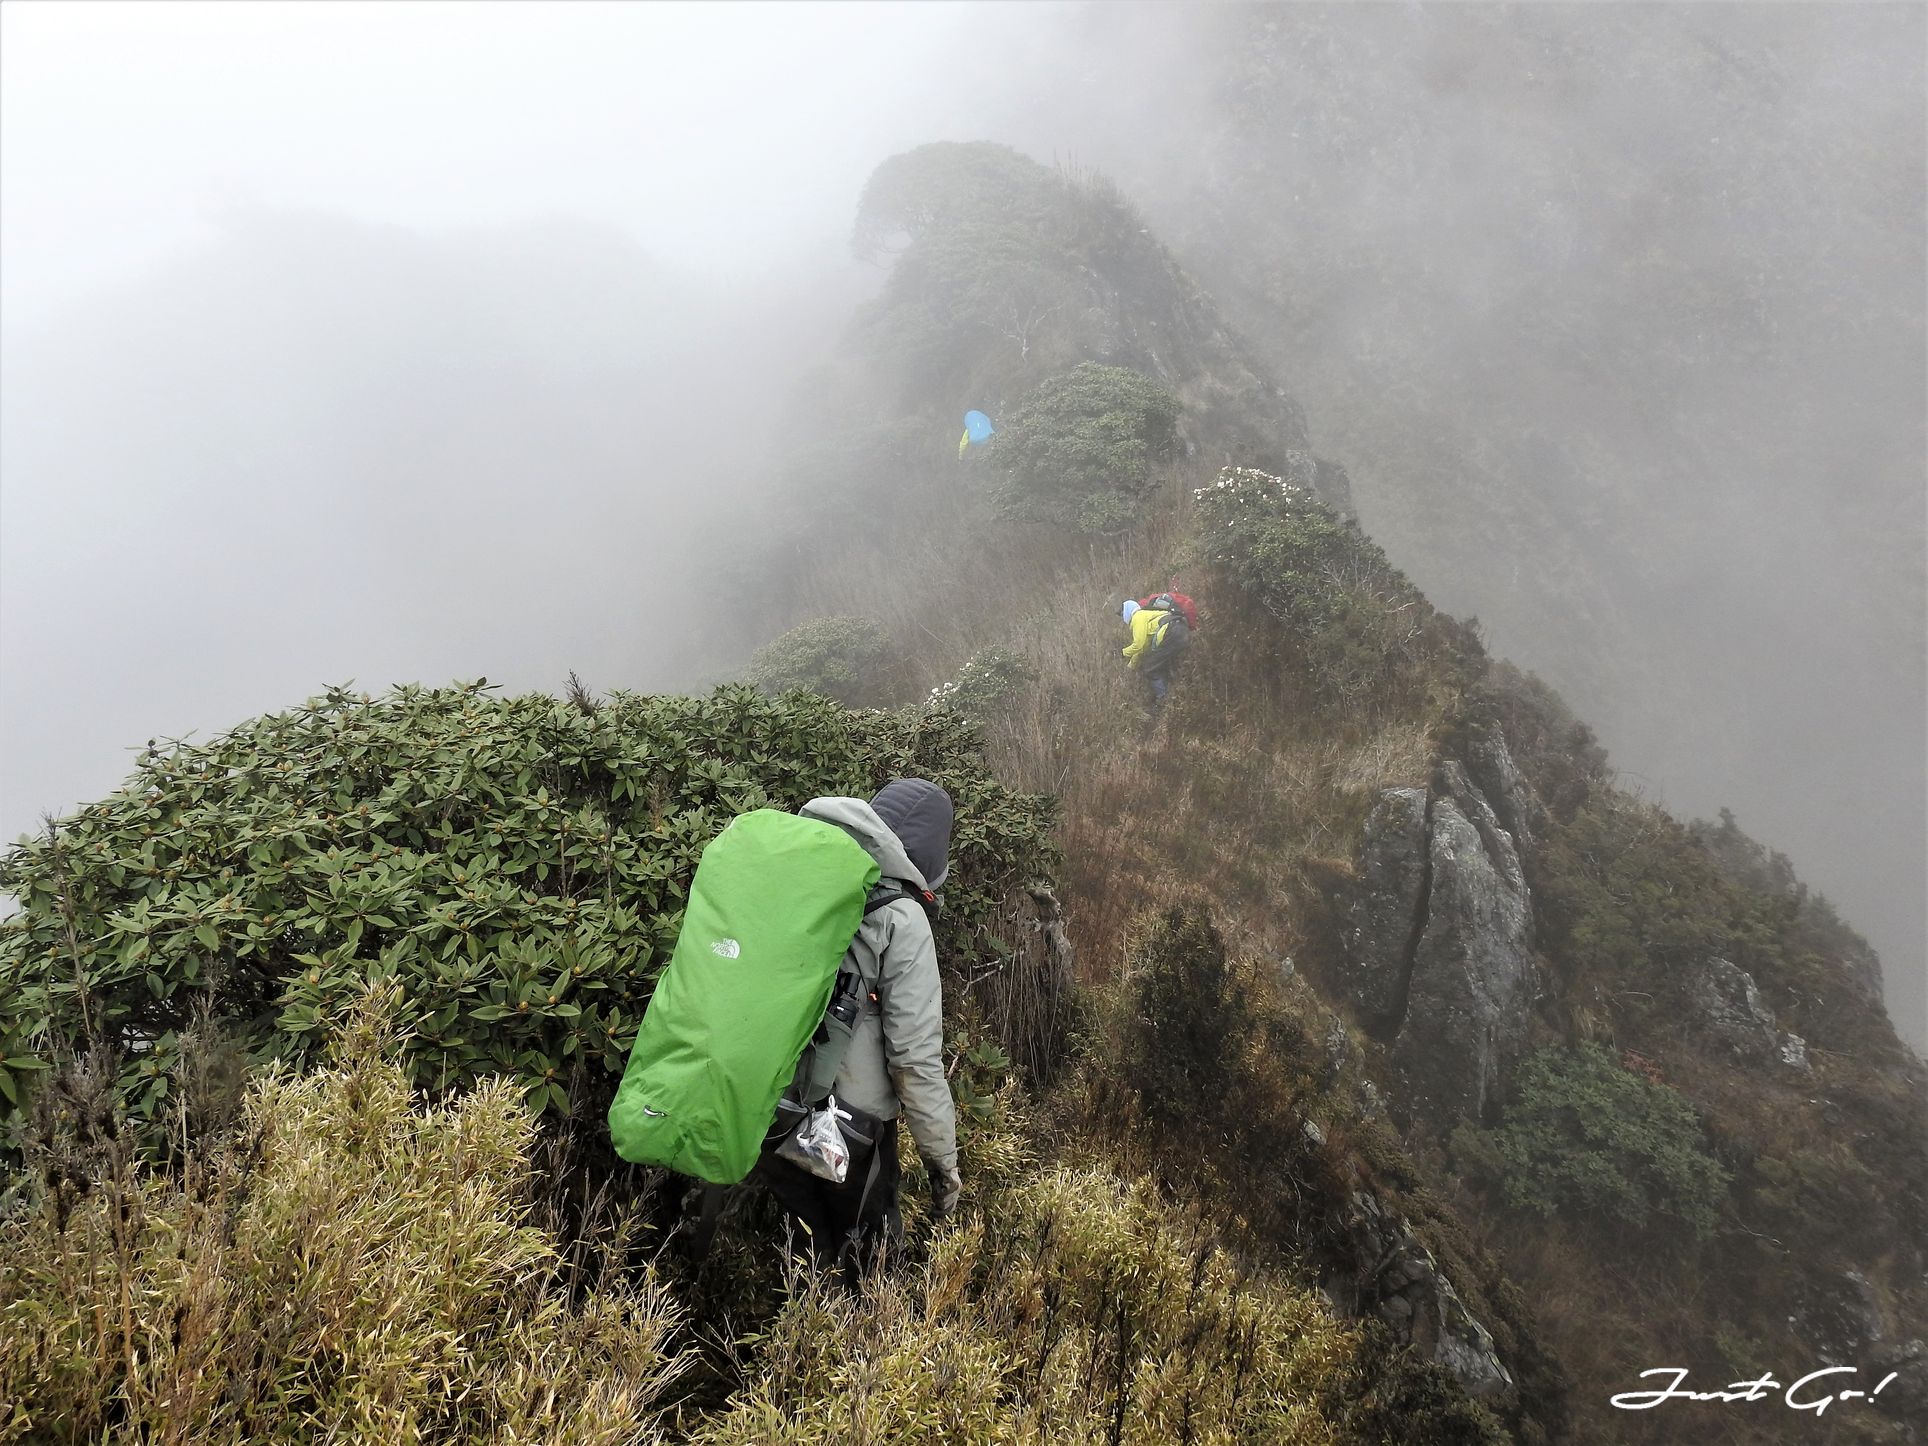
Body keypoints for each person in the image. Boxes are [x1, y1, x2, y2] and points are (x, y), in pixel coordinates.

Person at [755, 778, 962, 1271]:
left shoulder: (795, 874)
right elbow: (914, 1060)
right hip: (849, 1132)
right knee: (867, 1270)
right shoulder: (901, 917)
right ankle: (857, 1343)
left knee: (797, 1255)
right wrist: (943, 1165)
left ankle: (794, 1337)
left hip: (766, 1102)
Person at [1121, 597, 1190, 709]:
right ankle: (1174, 697)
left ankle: (1163, 702)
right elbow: (1142, 648)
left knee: (1150, 668)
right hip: (1181, 629)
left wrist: (1123, 653)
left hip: (1171, 633)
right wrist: (1131, 666)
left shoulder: (1137, 617)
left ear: (1127, 612)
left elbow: (1138, 644)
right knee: (1163, 664)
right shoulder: (1147, 615)